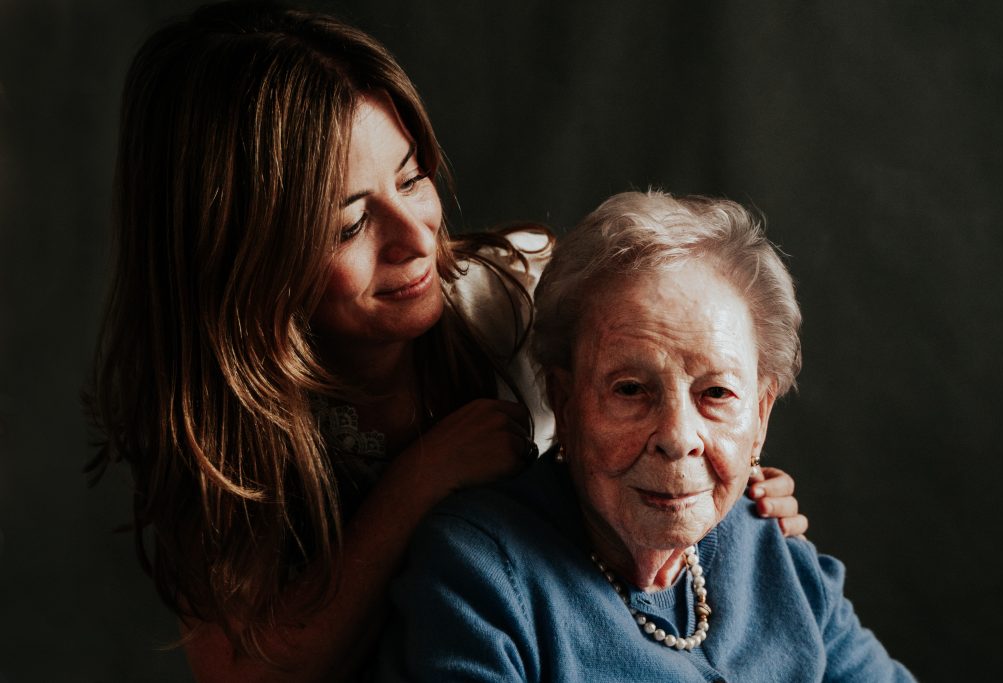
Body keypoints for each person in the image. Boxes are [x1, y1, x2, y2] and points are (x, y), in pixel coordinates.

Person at [85, 3, 806, 680]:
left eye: (413, 177)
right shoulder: (211, 410)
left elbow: (686, 428)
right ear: (240, 257)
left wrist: (734, 499)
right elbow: (238, 669)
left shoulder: (529, 297)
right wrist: (422, 482)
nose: (415, 237)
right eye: (348, 224)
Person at [381, 191, 914, 681]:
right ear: (564, 404)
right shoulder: (482, 574)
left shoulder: (771, 545)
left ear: (761, 414)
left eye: (717, 394)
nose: (678, 438)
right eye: (631, 389)